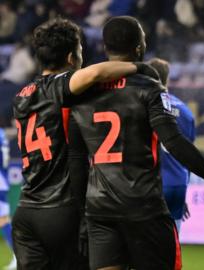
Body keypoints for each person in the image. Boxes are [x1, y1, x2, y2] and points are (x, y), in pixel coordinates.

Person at [69, 16, 204, 270]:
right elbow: (174, 142)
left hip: (100, 209)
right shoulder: (149, 87)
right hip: (143, 207)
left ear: (106, 48)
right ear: (139, 48)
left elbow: (76, 161)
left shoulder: (82, 92)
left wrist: (82, 218)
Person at [12, 18, 154, 270]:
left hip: (26, 210)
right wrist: (139, 68)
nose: (81, 58)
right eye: (79, 52)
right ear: (70, 57)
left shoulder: (22, 95)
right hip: (61, 209)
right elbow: (97, 72)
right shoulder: (59, 86)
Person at [148, 58, 195, 232]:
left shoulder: (144, 104)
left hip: (151, 184)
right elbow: (190, 157)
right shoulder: (185, 111)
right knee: (171, 244)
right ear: (167, 79)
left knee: (146, 246)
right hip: (177, 184)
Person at [0, 127, 16, 270]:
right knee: (3, 219)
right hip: (2, 179)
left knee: (3, 220)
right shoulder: (2, 133)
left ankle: (18, 255)